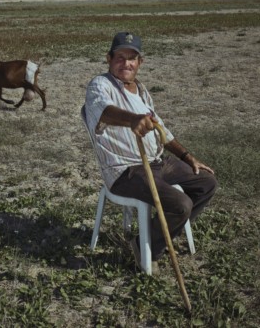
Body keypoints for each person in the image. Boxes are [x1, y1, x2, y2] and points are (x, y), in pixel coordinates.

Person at [83, 31, 217, 271]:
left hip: (157, 162)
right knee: (181, 204)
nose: (126, 63)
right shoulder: (99, 85)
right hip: (125, 171)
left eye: (132, 58)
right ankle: (148, 247)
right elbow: (103, 111)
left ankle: (158, 236)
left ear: (140, 62)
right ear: (109, 58)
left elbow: (161, 128)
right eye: (120, 57)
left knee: (207, 182)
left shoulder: (142, 90)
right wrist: (132, 119)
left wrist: (187, 156)